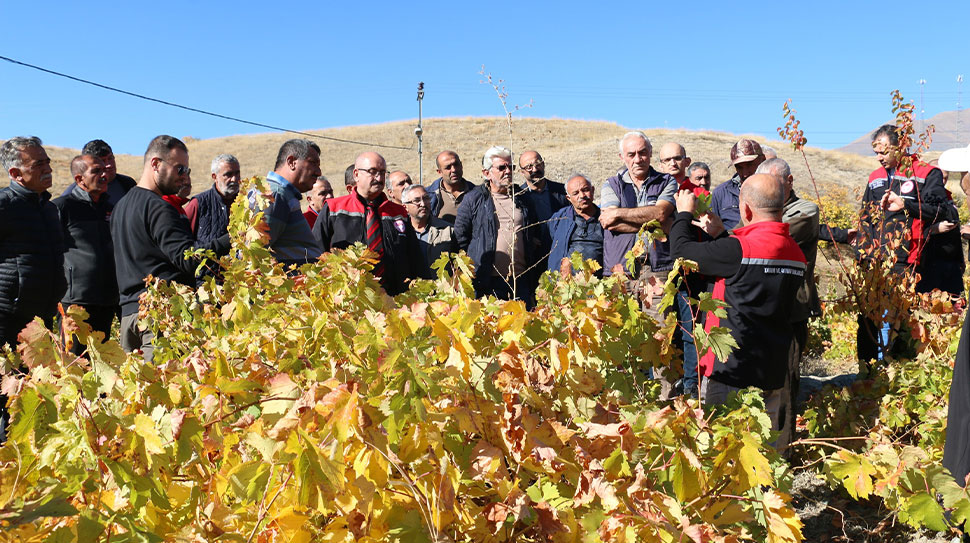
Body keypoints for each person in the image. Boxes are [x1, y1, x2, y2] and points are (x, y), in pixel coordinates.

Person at [671, 173, 806, 449]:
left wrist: (683, 214)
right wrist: (722, 234)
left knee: (724, 453)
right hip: (772, 370)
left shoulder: (737, 250)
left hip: (731, 372)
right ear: (781, 207)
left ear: (745, 209)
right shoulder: (795, 252)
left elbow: (681, 250)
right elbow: (752, 273)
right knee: (764, 454)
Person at [111, 135, 231, 361]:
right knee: (166, 389)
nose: (184, 176)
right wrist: (230, 240)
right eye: (179, 168)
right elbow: (187, 258)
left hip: (129, 316)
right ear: (155, 164)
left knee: (137, 394)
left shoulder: (120, 207)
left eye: (187, 169)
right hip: (159, 318)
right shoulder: (159, 208)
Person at [856, 124, 948, 362]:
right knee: (867, 318)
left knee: (903, 321)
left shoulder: (927, 173)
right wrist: (862, 253)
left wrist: (907, 205)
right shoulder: (875, 178)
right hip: (875, 263)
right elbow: (866, 218)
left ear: (901, 146)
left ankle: (898, 372)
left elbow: (940, 211)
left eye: (883, 152)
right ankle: (865, 375)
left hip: (909, 261)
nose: (878, 158)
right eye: (876, 152)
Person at [757, 158, 820, 439]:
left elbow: (770, 238)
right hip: (761, 306)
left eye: (774, 184)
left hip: (792, 307)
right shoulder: (764, 211)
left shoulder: (805, 211)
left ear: (790, 181)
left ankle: (784, 449)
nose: (767, 191)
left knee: (787, 379)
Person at [313, 152, 422, 295]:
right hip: (349, 301)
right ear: (356, 175)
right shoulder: (334, 209)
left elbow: (415, 258)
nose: (379, 177)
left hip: (395, 302)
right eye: (373, 172)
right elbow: (315, 255)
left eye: (383, 172)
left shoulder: (398, 213)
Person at [0, 136, 66, 347]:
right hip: (6, 320)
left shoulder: (50, 209)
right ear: (15, 174)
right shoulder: (4, 206)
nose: (48, 169)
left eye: (47, 162)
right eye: (38, 164)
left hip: (42, 320)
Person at [53, 154, 118, 355]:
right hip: (75, 301)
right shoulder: (62, 207)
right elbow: (51, 250)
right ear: (79, 179)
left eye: (104, 170)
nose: (104, 175)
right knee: (74, 359)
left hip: (107, 300)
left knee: (100, 359)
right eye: (96, 171)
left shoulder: (112, 208)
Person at [454, 146, 536, 304]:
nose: (508, 171)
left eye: (511, 167)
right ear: (487, 173)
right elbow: (460, 237)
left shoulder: (523, 198)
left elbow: (532, 231)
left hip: (520, 280)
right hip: (488, 281)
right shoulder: (474, 199)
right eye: (501, 167)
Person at [249, 139, 323, 266]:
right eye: (313, 163)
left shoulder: (279, 194)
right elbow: (256, 252)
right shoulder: (277, 195)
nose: (318, 172)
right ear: (291, 162)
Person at [546, 175, 603, 273]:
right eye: (575, 193)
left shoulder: (605, 218)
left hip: (598, 283)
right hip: (566, 284)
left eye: (585, 190)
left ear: (593, 190)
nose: (582, 195)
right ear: (568, 198)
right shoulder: (559, 219)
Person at [60, 139, 137, 207]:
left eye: (110, 158)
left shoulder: (127, 184)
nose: (109, 165)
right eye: (103, 161)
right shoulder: (71, 197)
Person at [710, 139, 767, 230]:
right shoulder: (720, 193)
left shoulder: (774, 189)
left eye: (749, 165)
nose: (745, 173)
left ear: (762, 160)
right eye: (739, 167)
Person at [402, 184, 456, 278]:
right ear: (405, 207)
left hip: (441, 290)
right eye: (417, 201)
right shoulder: (400, 233)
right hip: (411, 290)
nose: (423, 204)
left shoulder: (448, 230)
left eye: (426, 198)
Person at [185, 154, 241, 242]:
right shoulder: (198, 203)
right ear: (214, 177)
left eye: (237, 173)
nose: (234, 179)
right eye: (228, 175)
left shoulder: (248, 203)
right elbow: (182, 240)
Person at [428, 151, 477, 224]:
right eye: (448, 167)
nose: (454, 170)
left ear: (461, 165)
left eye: (456, 164)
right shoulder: (428, 196)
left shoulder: (477, 193)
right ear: (439, 172)